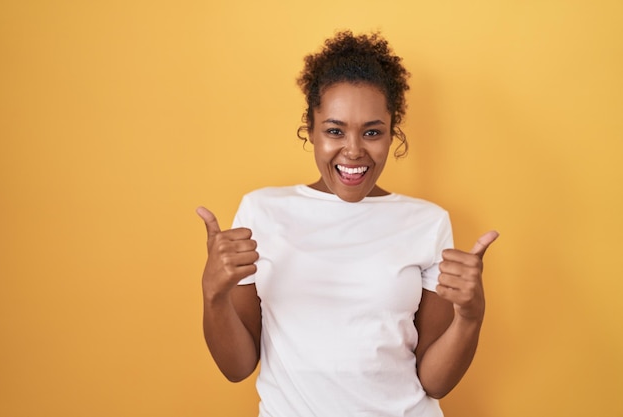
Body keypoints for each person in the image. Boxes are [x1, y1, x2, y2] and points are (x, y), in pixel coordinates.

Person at [196, 31, 499, 417]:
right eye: (335, 130)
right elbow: (236, 367)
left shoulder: (427, 222)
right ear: (311, 129)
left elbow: (434, 381)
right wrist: (213, 294)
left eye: (372, 132)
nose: (354, 150)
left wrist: (471, 317)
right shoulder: (261, 212)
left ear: (393, 133)